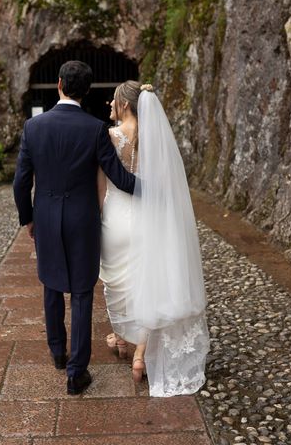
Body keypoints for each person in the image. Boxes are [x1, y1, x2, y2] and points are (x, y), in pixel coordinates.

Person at [13, 60, 135, 395]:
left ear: (59, 85)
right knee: (82, 293)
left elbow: (20, 183)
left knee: (51, 285)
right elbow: (120, 178)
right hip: (83, 220)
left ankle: (57, 352)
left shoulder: (33, 127)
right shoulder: (95, 128)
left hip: (48, 217)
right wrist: (154, 188)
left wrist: (29, 218)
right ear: (86, 91)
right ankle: (76, 372)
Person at [98, 80, 210, 397]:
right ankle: (140, 354)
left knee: (119, 283)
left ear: (123, 104)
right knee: (148, 281)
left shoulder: (109, 136)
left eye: (113, 100)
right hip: (150, 219)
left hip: (118, 219)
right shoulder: (156, 138)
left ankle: (124, 338)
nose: (109, 105)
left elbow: (102, 186)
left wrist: (97, 217)